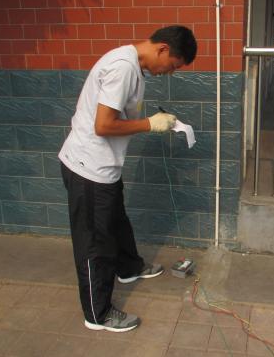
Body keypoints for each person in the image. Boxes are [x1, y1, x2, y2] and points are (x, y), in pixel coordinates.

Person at [59, 26, 197, 332]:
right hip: (88, 169)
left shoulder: (131, 64)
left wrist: (155, 123)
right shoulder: (123, 68)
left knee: (116, 222)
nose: (169, 73)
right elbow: (103, 125)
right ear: (162, 49)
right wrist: (150, 124)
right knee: (96, 243)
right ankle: (98, 314)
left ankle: (130, 268)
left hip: (103, 167)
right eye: (172, 66)